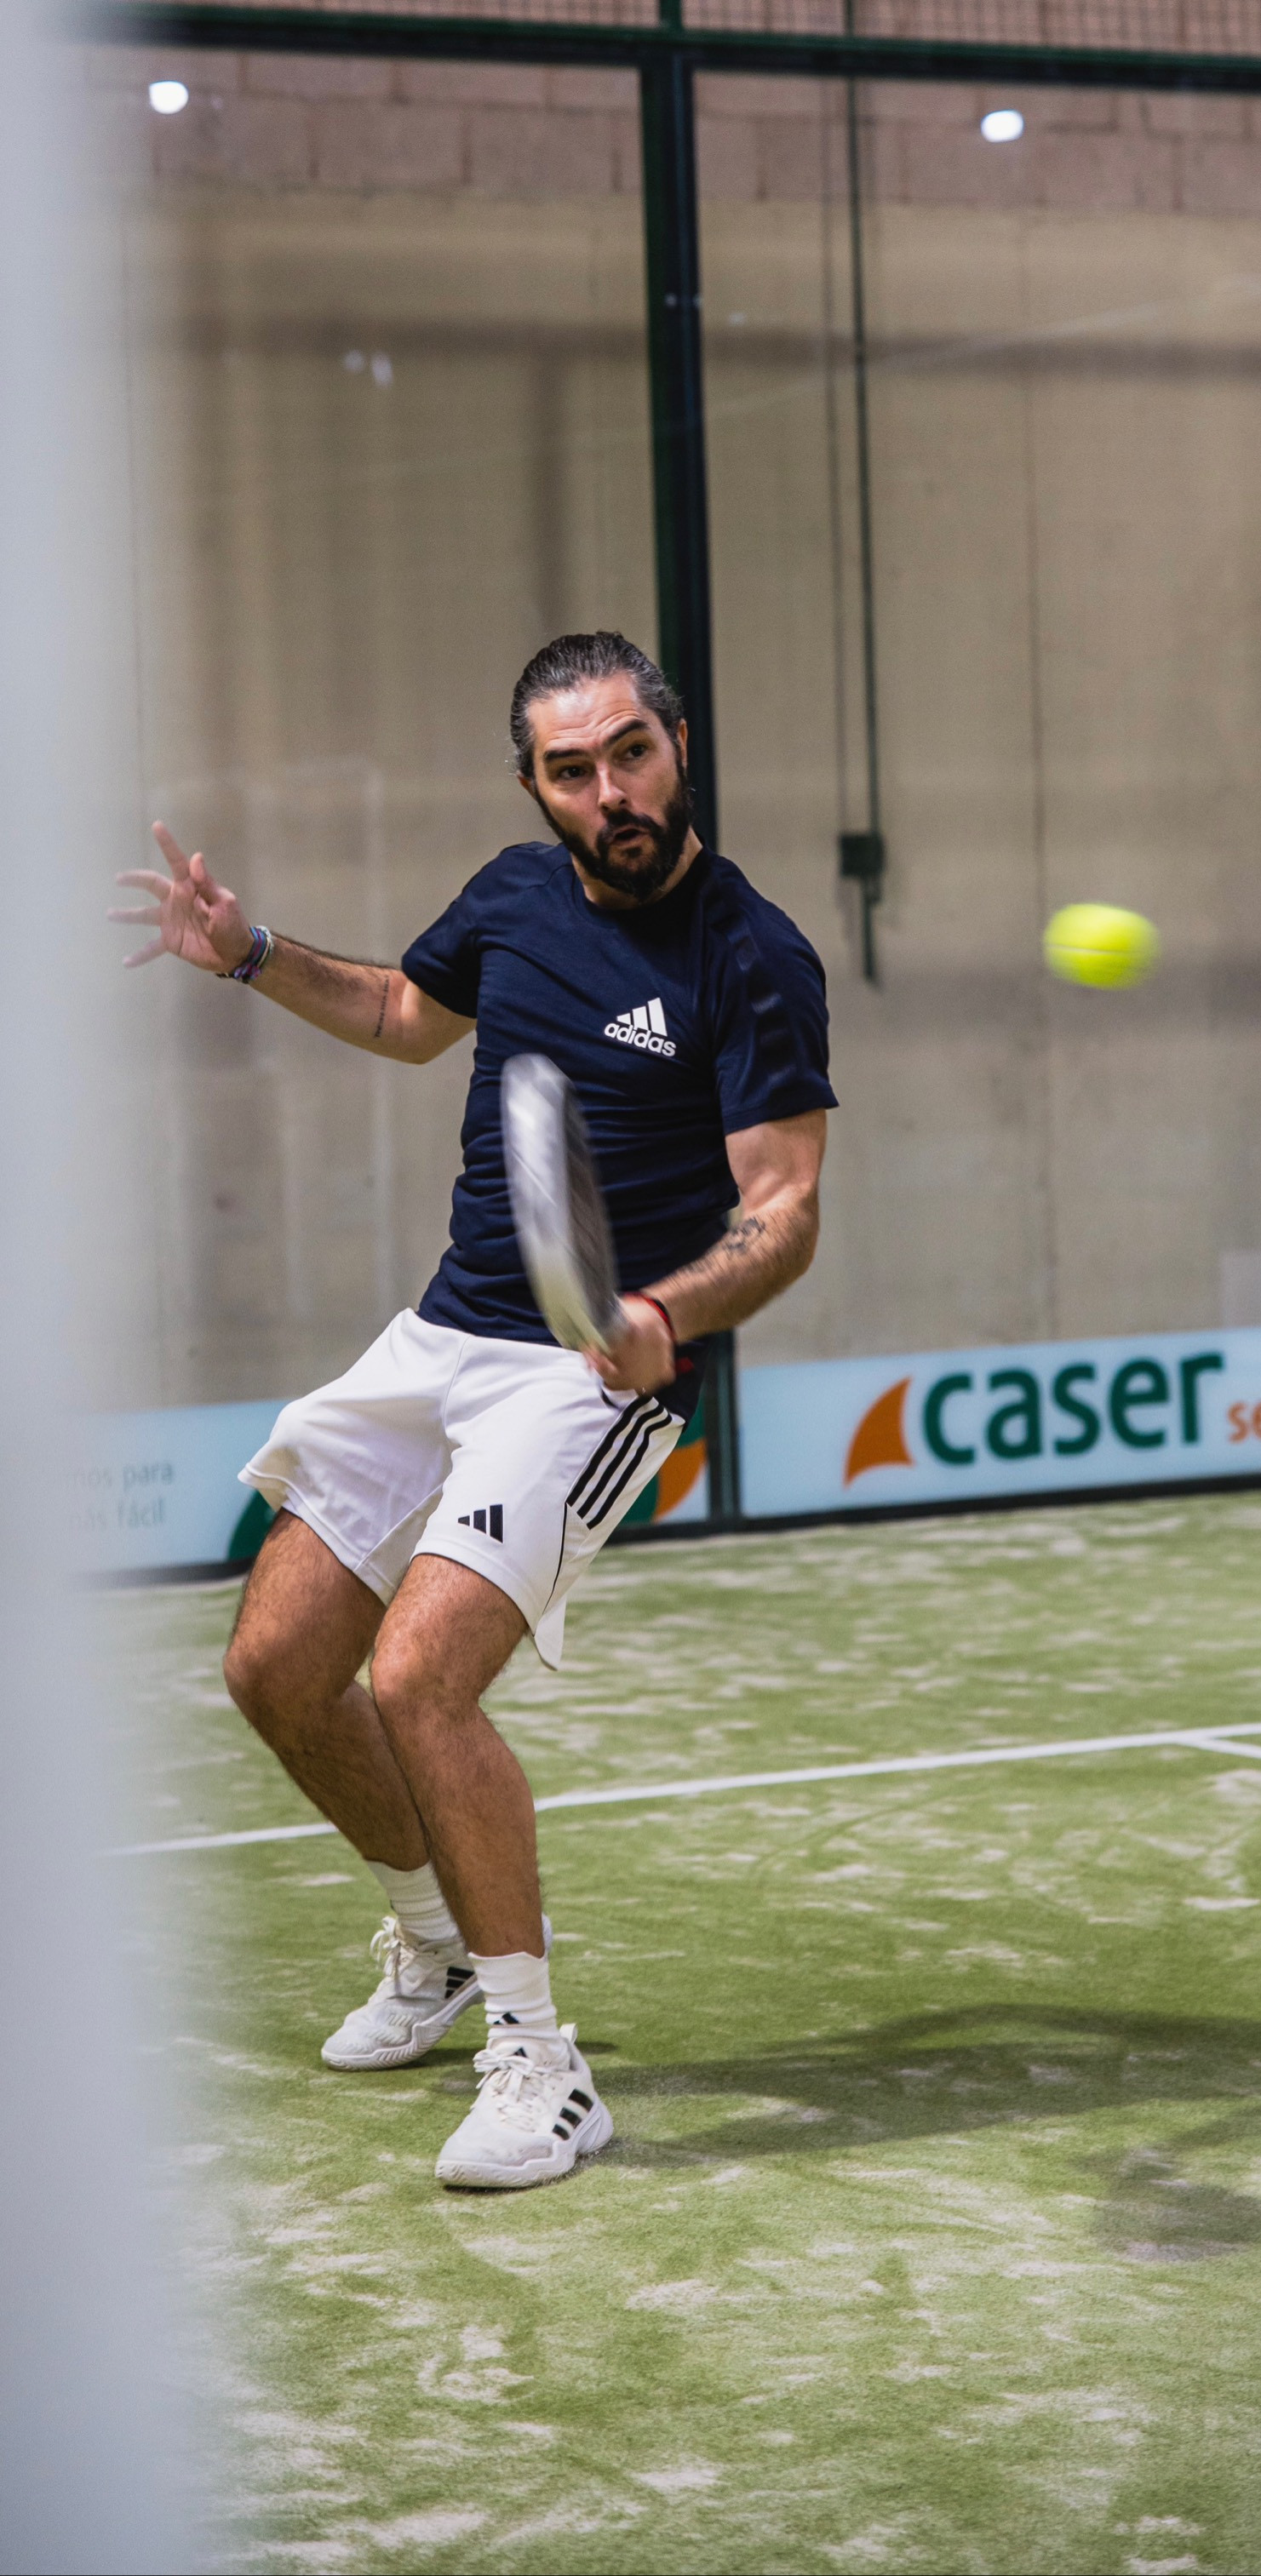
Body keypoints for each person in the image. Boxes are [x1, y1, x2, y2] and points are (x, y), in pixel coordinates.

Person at [111, 632, 834, 2190]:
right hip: (445, 1334)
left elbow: (784, 1211)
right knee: (275, 1666)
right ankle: (435, 1941)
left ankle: (543, 2066)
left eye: (630, 751)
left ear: (678, 744)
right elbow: (400, 1008)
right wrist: (248, 951)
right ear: (536, 787)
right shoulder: (510, 897)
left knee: (419, 1675)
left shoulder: (751, 954)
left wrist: (664, 1315)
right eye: (573, 769)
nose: (610, 790)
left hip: (591, 1371)